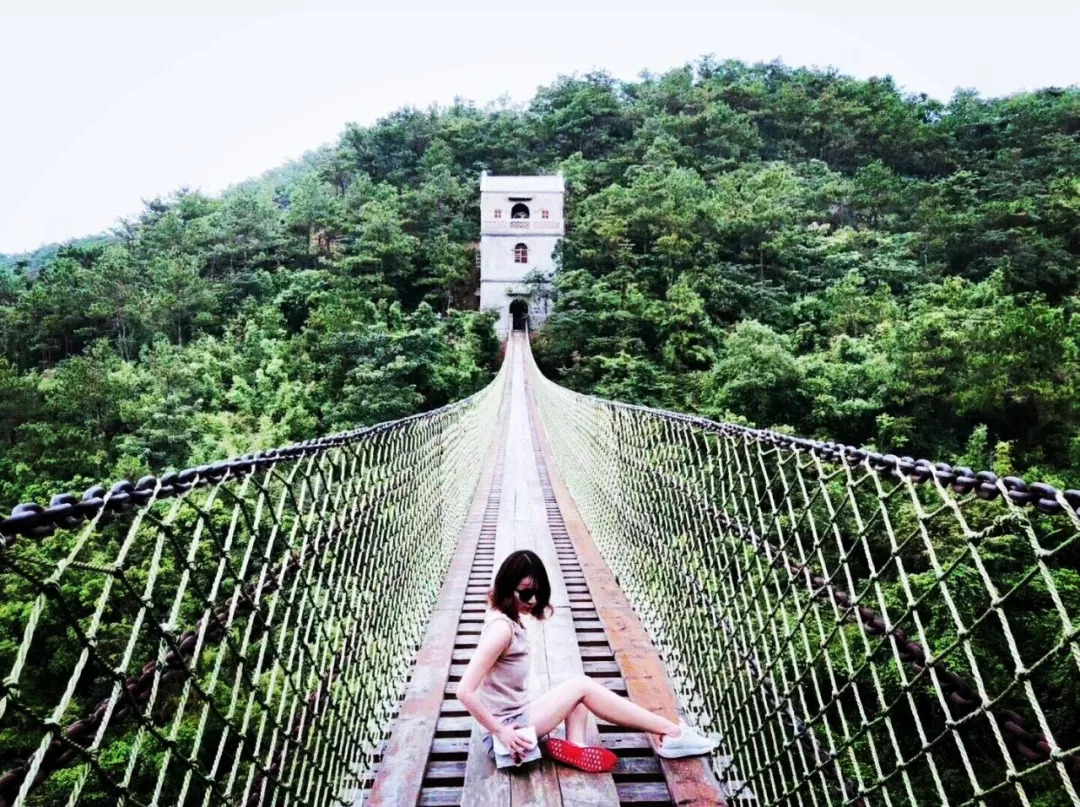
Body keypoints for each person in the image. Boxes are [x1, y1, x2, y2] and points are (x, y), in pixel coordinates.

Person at [457, 549, 718, 773]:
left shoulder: (499, 608)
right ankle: (672, 733)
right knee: (582, 686)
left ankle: (576, 746)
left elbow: (494, 593)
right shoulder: (501, 630)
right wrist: (501, 732)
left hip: (515, 718)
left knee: (576, 697)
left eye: (538, 593)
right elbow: (464, 691)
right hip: (508, 733)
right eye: (525, 594)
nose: (533, 601)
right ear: (507, 589)